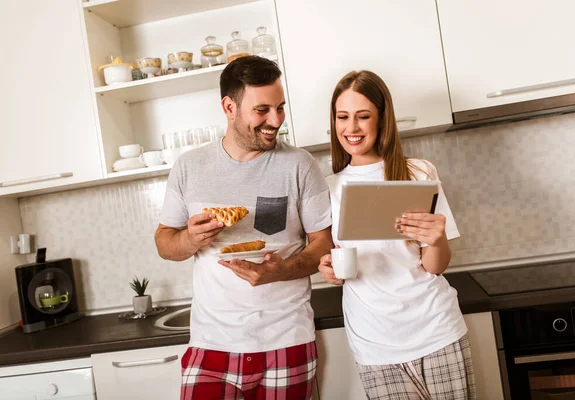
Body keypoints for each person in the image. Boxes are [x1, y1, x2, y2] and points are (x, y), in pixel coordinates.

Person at [155, 55, 333, 400]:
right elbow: (165, 243)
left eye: (280, 108)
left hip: (286, 336)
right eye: (262, 110)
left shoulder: (300, 165)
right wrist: (190, 238)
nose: (276, 120)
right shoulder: (189, 167)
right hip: (211, 342)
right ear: (229, 106)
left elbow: (323, 244)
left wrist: (281, 271)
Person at [318, 70, 475, 399]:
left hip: (435, 329)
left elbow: (435, 266)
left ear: (382, 119)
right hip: (374, 345)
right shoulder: (327, 188)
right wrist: (328, 269)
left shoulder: (418, 173)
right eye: (343, 117)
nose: (352, 128)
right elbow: (329, 259)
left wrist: (436, 239)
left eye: (363, 116)